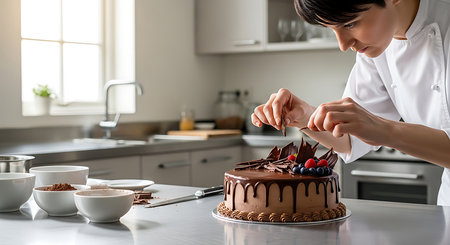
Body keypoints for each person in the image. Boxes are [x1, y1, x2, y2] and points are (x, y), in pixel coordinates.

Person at [251, 0, 450, 205]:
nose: (343, 45)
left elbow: (376, 129)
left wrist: (385, 130)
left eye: (350, 24)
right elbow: (350, 139)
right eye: (331, 29)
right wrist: (304, 117)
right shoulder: (378, 47)